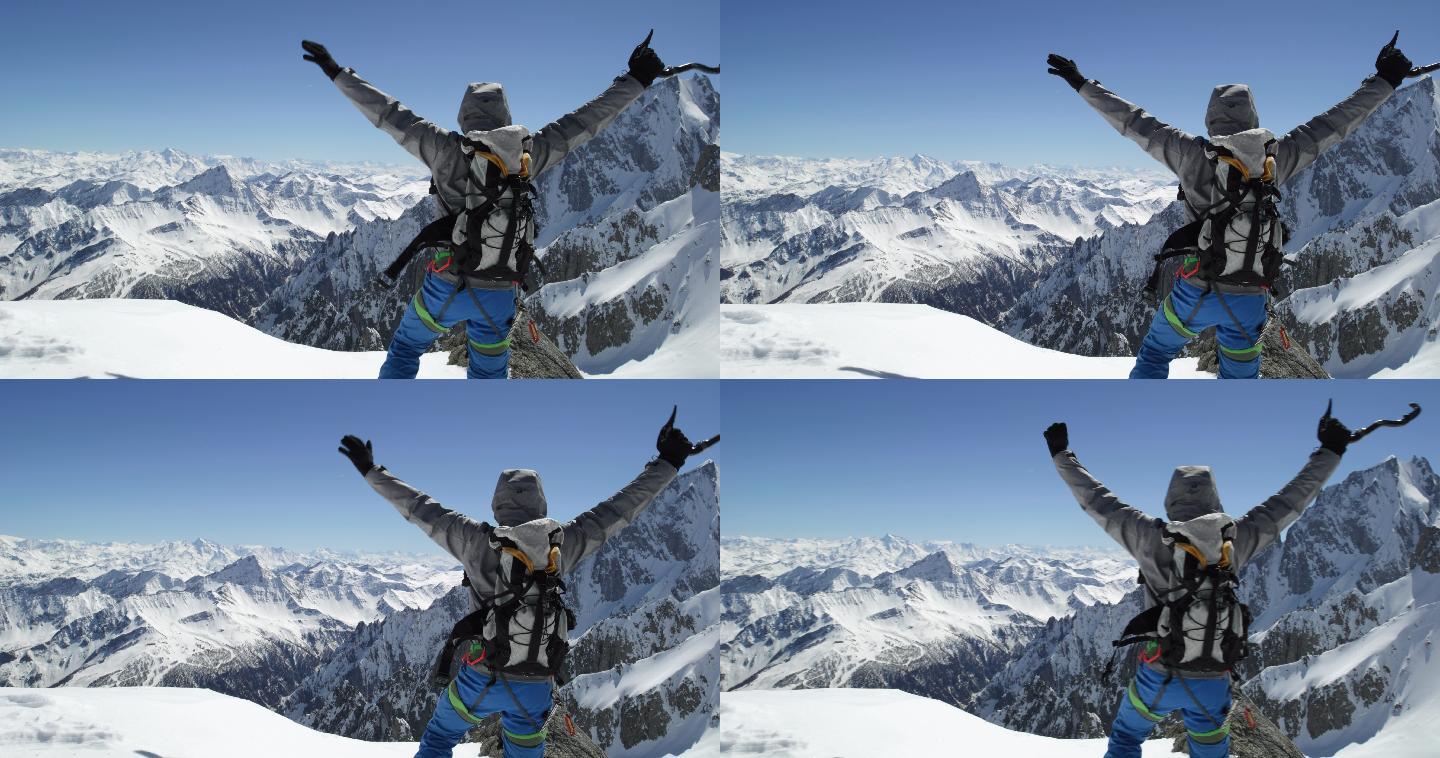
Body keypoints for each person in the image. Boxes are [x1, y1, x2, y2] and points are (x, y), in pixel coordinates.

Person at [336, 409, 712, 758]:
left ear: (497, 505)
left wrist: (371, 470)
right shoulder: (563, 543)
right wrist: (668, 462)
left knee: (437, 739)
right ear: (542, 506)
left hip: (481, 678)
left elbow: (419, 508)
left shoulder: (474, 539)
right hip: (536, 684)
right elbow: (620, 509)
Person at [301, 34, 669, 379]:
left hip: (446, 288)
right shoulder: (529, 155)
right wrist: (637, 80)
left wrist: (337, 73)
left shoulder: (444, 149)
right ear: (505, 118)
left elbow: (389, 114)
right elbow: (586, 122)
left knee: (405, 350)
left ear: (464, 117)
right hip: (500, 295)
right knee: (488, 377)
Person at [1046, 35, 1414, 379]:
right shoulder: (1277, 158)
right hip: (1250, 300)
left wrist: (1081, 83)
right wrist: (1384, 81)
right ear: (1253, 118)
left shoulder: (1191, 154)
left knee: (1156, 354)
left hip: (1197, 293)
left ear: (1210, 119)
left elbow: (1132, 122)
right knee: (1239, 380)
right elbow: (1336, 123)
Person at [1043, 412, 1352, 758]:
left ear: (1171, 501)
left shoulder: (1150, 537)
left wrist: (1062, 455)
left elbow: (1097, 501)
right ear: (1215, 500)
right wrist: (1329, 452)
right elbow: (1291, 501)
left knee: (1127, 738)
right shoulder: (1235, 540)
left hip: (1159, 676)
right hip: (1213, 681)